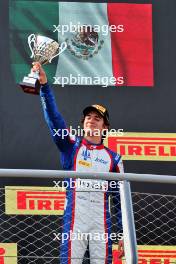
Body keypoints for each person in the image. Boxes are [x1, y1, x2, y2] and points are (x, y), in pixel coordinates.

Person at [32, 62, 124, 264]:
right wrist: (45, 87)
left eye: (97, 118)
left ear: (105, 127)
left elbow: (120, 202)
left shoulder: (114, 158)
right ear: (82, 124)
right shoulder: (71, 146)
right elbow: (54, 119)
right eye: (88, 117)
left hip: (102, 224)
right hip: (75, 222)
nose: (92, 120)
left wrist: (124, 233)